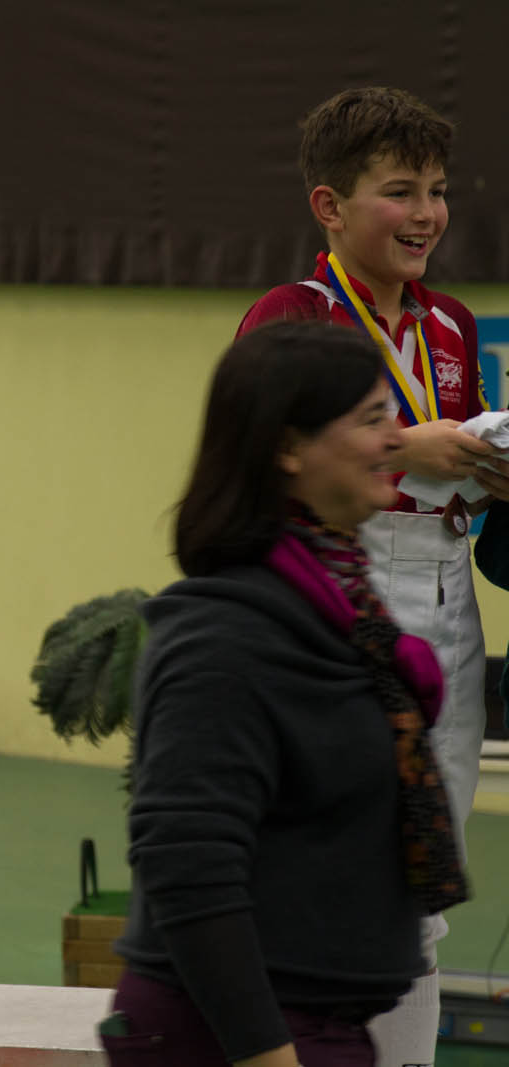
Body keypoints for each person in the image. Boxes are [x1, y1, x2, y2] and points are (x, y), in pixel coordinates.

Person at [104, 321, 467, 1067]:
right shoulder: (223, 636)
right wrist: (267, 1054)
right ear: (288, 447)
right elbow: (187, 862)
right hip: (235, 1037)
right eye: (371, 418)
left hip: (317, 1024)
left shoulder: (339, 609)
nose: (395, 439)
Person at [236, 86, 508, 1067]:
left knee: (425, 882)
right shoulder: (291, 317)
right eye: (400, 191)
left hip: (448, 594)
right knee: (330, 873)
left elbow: (456, 471)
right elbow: (250, 459)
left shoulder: (451, 324)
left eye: (437, 190)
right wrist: (404, 448)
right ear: (329, 205)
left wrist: (490, 469)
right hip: (332, 589)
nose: (427, 213)